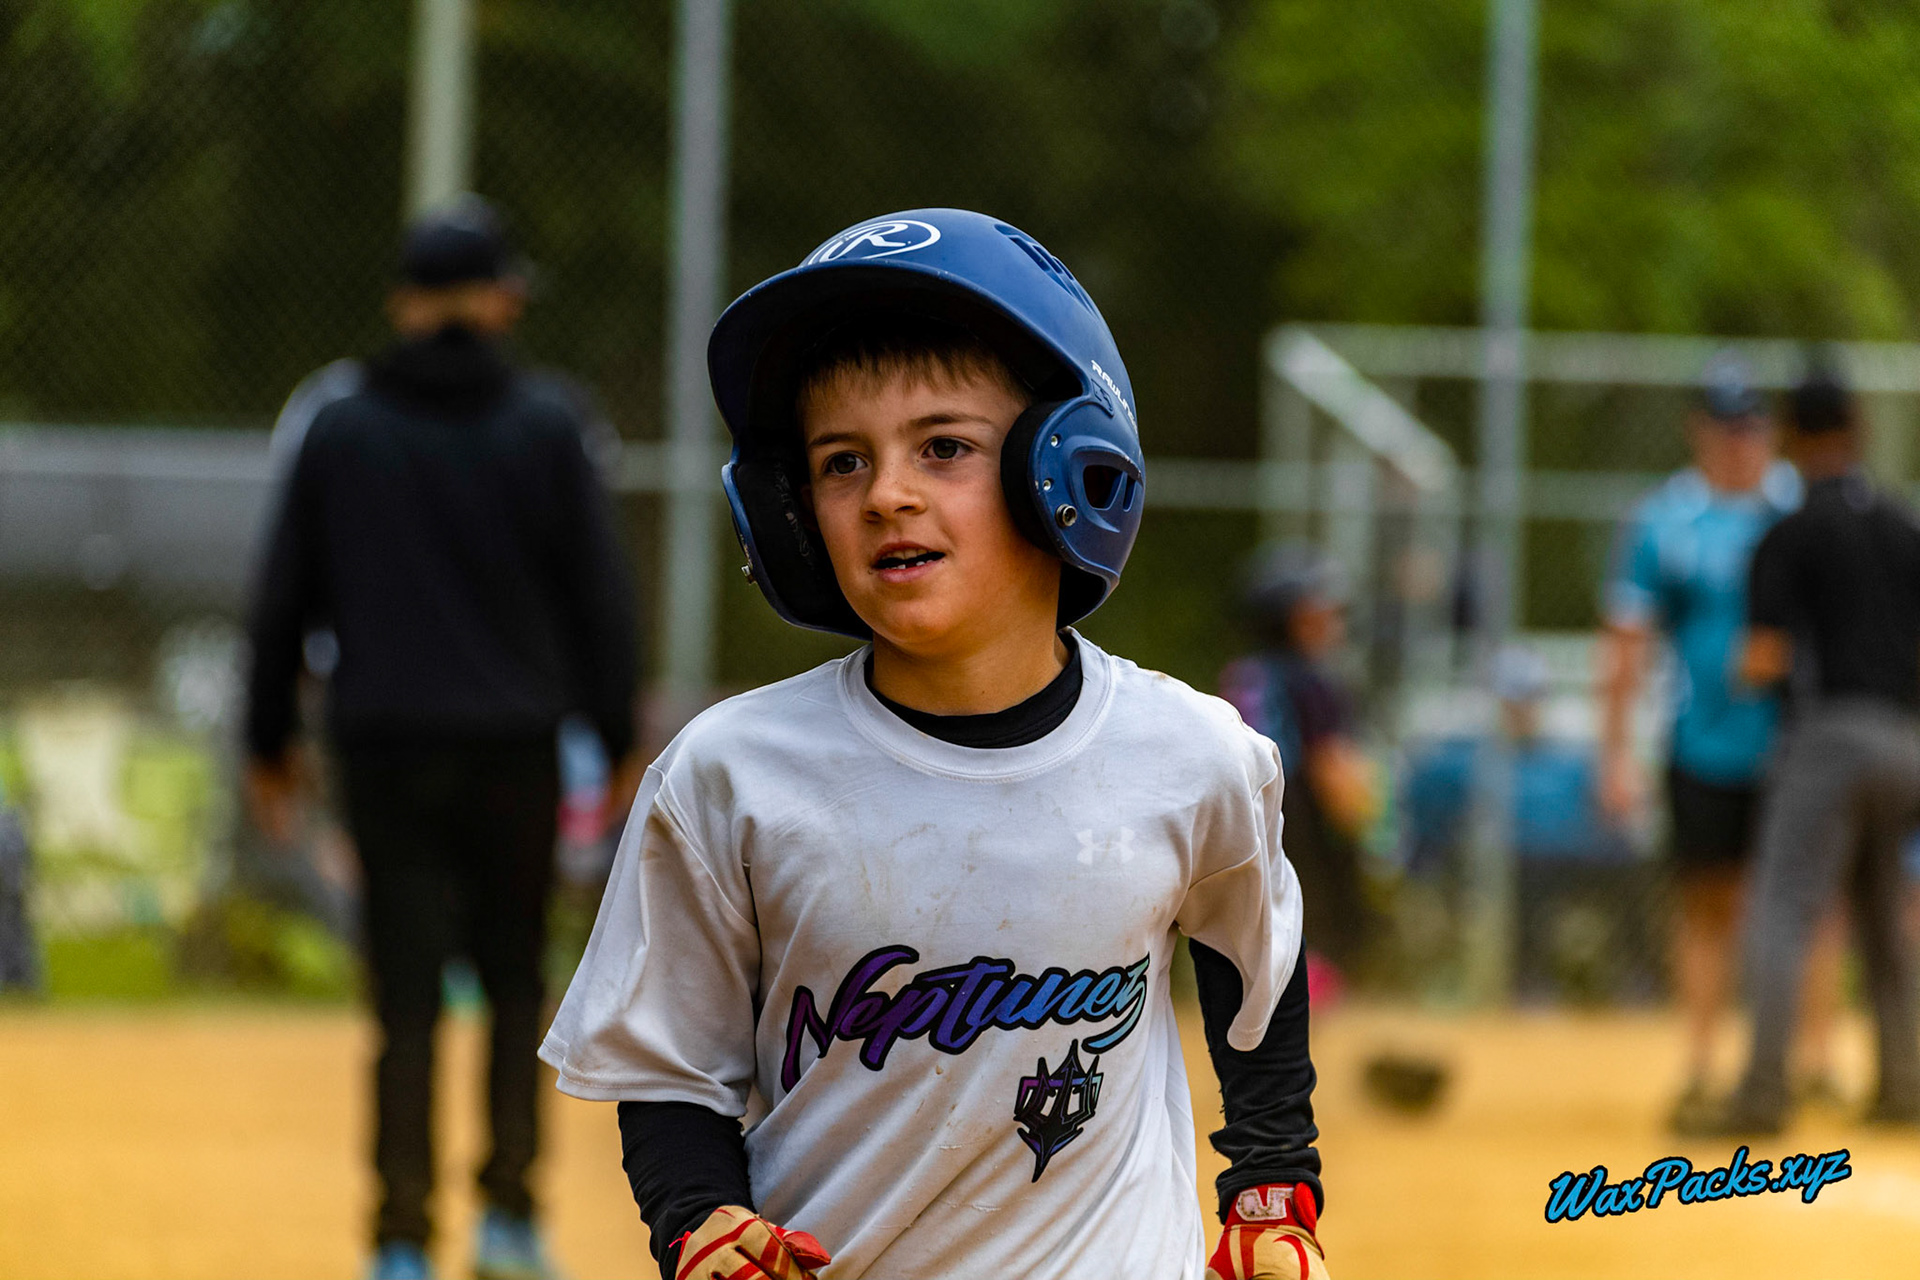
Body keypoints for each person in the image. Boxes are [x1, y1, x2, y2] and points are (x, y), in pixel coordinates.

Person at [542, 210, 1326, 1280]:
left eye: (943, 446)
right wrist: (699, 1219)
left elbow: (1258, 967)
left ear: (1071, 462)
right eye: (839, 462)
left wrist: (1273, 1188)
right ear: (785, 511)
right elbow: (669, 1057)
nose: (887, 494)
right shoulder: (732, 774)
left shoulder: (1191, 754)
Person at [245, 195, 643, 1280]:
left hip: (384, 745)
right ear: (499, 300)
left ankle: (402, 1238)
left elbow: (284, 597)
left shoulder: (342, 424)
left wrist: (268, 740)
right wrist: (616, 734)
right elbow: (598, 598)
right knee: (516, 981)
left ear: (404, 306)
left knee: (407, 999)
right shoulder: (546, 422)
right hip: (515, 742)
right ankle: (511, 1218)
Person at [1595, 354, 1841, 1131]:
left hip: (1796, 745)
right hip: (1701, 743)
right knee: (1707, 902)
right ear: (1699, 430)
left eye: (1753, 425)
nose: (1741, 441)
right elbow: (1627, 641)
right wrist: (1614, 752)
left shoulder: (1800, 511)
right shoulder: (1664, 520)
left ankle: (1818, 1060)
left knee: (1812, 902)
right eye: (1726, 425)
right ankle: (1702, 1062)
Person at [1710, 363, 1920, 1133]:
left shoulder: (1789, 533)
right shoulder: (1903, 524)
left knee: (1784, 908)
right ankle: (1905, 1085)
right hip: (1906, 739)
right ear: (1858, 427)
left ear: (1793, 437)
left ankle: (1763, 1091)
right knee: (1883, 919)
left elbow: (1765, 657)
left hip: (1830, 735)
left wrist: (1734, 681)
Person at [1220, 546, 1378, 983]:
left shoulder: (1244, 672)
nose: (1333, 622)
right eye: (1318, 613)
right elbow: (1334, 770)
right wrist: (1375, 835)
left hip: (1245, 819)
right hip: (1303, 820)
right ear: (1288, 621)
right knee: (1325, 931)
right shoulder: (1313, 681)